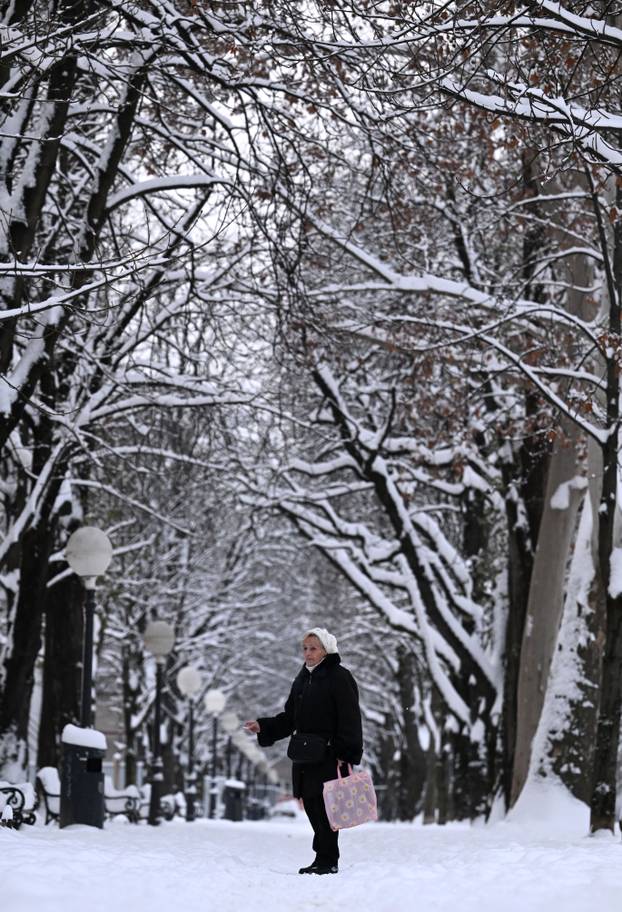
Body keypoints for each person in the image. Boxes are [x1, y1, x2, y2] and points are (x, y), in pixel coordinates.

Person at [244, 627, 363, 875]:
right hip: (304, 754)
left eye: (313, 648)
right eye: (305, 648)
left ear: (326, 650)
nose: (308, 653)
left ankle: (328, 859)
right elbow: (290, 718)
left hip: (329, 754)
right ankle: (322, 856)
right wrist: (263, 726)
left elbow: (350, 717)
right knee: (310, 804)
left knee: (326, 806)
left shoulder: (339, 677)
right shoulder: (301, 680)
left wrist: (345, 750)